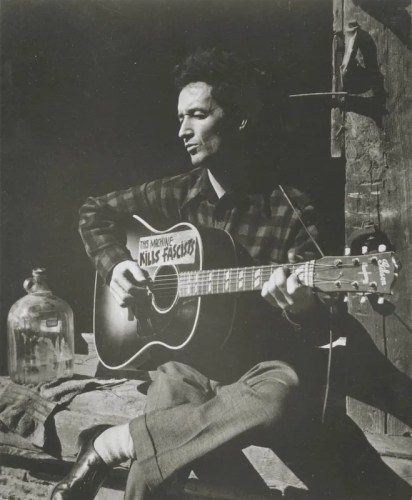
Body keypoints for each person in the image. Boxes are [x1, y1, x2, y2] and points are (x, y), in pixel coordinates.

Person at [51, 49, 412, 500]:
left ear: (239, 120)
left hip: (259, 371)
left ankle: (110, 442)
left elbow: (327, 315)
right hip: (189, 360)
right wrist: (118, 264)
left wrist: (301, 305)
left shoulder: (289, 207)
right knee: (158, 449)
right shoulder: (178, 192)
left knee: (280, 395)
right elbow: (94, 212)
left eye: (198, 116)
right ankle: (137, 445)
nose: (183, 131)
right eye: (181, 117)